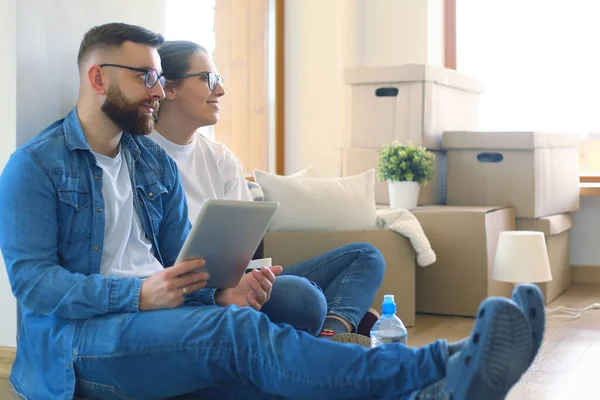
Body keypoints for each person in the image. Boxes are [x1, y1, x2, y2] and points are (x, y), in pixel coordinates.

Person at [0, 22, 544, 400]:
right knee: (237, 335)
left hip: (157, 319)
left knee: (258, 372)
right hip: (78, 346)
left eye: (160, 77)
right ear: (98, 78)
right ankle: (445, 362)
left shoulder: (149, 164)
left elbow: (180, 256)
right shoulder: (36, 166)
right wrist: (140, 294)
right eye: (145, 76)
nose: (156, 90)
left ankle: (432, 390)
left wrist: (219, 290)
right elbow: (33, 284)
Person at [150, 40, 383, 339]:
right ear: (169, 88)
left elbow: (241, 247)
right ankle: (343, 322)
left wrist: (251, 274)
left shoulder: (220, 158)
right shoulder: (140, 159)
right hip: (191, 294)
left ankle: (333, 334)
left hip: (237, 280)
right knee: (304, 298)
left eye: (219, 80)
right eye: (209, 79)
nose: (220, 91)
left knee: (366, 256)